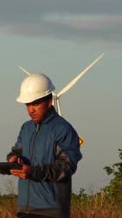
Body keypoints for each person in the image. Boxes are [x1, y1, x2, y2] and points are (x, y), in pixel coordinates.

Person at [7, 73, 82, 218]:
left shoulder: (63, 129)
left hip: (51, 211)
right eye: (27, 104)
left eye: (35, 103)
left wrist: (33, 172)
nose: (31, 110)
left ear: (49, 102)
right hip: (25, 209)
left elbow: (66, 167)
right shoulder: (26, 128)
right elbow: (16, 151)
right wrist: (13, 160)